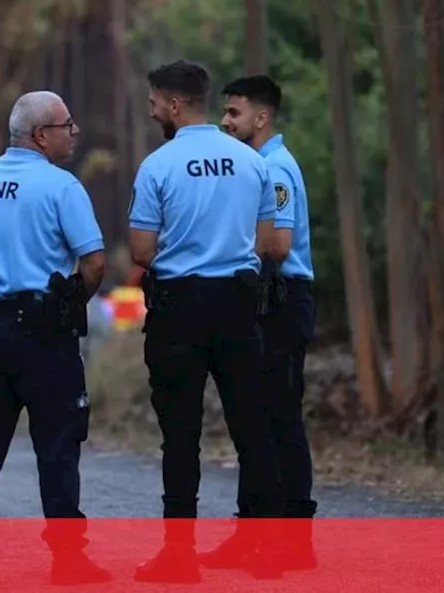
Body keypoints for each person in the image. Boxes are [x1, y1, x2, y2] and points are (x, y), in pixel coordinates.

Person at [0, 90, 111, 587]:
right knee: (58, 448)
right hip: (42, 335)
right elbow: (96, 262)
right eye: (67, 124)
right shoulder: (62, 187)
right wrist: (69, 302)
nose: (75, 132)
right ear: (42, 135)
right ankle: (67, 561)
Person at [127, 60, 283, 583]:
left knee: (180, 433)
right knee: (252, 428)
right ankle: (266, 549)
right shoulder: (251, 162)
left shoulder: (158, 166)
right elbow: (264, 244)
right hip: (238, 306)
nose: (150, 111)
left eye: (153, 102)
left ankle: (179, 555)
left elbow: (142, 249)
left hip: (180, 308)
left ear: (174, 105)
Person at [220, 74, 318, 570]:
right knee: (254, 418)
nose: (225, 121)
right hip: (265, 300)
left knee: (279, 417)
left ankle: (292, 539)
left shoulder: (274, 169)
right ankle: (252, 530)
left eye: (234, 113)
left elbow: (278, 246)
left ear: (260, 118)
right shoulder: (258, 165)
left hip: (281, 298)